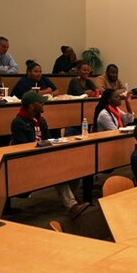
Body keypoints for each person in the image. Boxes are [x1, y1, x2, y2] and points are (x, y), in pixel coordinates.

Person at [11, 91, 89, 219]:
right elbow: (22, 147)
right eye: (40, 103)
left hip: (45, 155)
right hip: (29, 160)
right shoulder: (18, 123)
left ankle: (71, 197)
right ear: (31, 106)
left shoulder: (41, 121)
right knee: (56, 171)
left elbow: (48, 139)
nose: (43, 104)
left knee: (75, 166)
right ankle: (72, 206)